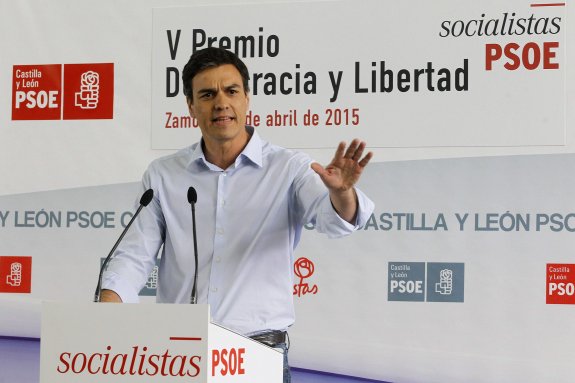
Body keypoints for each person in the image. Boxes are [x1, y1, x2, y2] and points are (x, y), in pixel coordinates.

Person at [101, 47, 374, 382]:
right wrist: (108, 311)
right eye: (207, 94)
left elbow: (335, 220)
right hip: (180, 356)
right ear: (190, 106)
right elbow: (134, 255)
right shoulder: (163, 175)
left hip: (257, 355)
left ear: (247, 98)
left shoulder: (289, 168)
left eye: (231, 91)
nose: (221, 103)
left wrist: (342, 192)